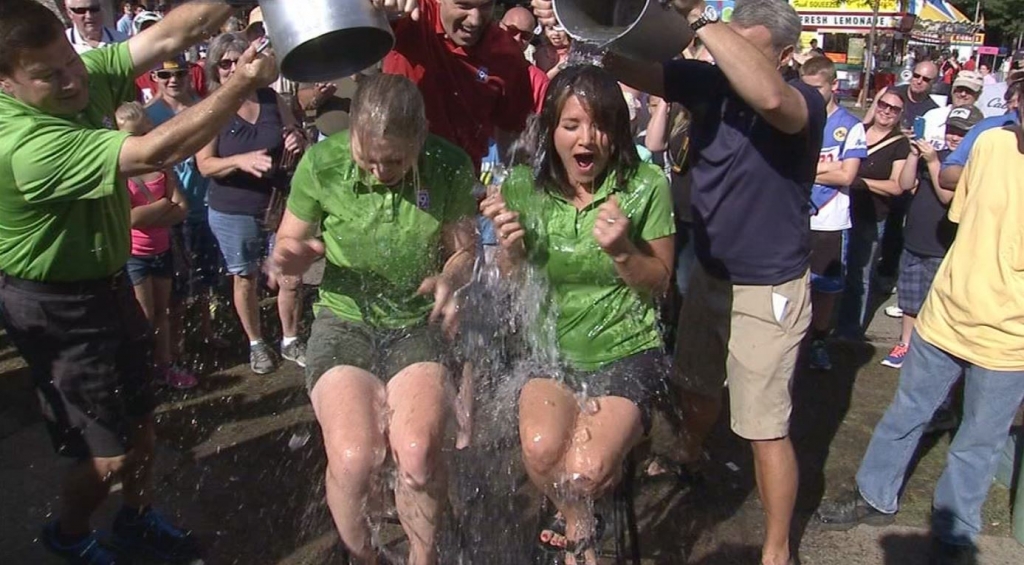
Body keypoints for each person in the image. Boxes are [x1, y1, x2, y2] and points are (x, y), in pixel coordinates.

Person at [533, 1, 826, 562]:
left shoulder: (802, 101)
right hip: (710, 272)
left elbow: (769, 98)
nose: (725, 55)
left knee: (763, 426)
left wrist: (697, 14)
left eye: (747, 47)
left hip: (769, 289)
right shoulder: (709, 83)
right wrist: (579, 23)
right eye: (727, 41)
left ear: (785, 57)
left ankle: (776, 547)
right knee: (694, 385)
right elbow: (621, 64)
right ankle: (691, 452)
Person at [0, 1, 278, 563]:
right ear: (5, 84)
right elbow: (159, 149)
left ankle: (136, 518)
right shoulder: (22, 144)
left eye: (69, 61)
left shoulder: (75, 77)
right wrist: (241, 83)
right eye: (49, 74)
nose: (74, 76)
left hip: (106, 286)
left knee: (143, 424)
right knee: (108, 456)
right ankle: (71, 534)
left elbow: (175, 31)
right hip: (57, 308)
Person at [271, 73, 477, 565]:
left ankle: (423, 557)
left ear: (420, 138)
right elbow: (284, 244)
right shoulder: (323, 163)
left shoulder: (447, 165)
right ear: (353, 134)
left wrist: (452, 276)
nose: (381, 171)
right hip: (345, 322)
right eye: (369, 158)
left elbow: (465, 250)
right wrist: (290, 258)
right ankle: (363, 557)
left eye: (395, 161)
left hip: (416, 323)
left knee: (420, 454)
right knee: (354, 458)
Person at [816, 92, 1024, 565]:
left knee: (978, 439)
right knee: (906, 410)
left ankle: (955, 529)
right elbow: (960, 208)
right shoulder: (991, 144)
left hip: (1011, 339)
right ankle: (874, 496)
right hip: (946, 314)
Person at [481, 65, 674, 565]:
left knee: (584, 470)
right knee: (543, 451)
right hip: (551, 350)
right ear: (551, 132)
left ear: (618, 132)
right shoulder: (524, 187)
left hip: (626, 350)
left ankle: (580, 529)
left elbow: (662, 283)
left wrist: (624, 252)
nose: (586, 139)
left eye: (600, 126)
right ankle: (579, 522)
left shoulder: (646, 184)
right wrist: (511, 251)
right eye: (571, 126)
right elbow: (510, 282)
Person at [197, 32, 308, 376]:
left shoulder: (272, 99)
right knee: (244, 277)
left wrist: (296, 138)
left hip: (277, 202)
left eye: (238, 60)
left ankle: (290, 338)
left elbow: (294, 133)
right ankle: (256, 343)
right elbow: (205, 164)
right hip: (233, 206)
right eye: (225, 63)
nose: (233, 69)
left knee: (291, 274)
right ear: (215, 69)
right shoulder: (213, 108)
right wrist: (240, 161)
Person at [882, 106, 982, 370]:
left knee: (934, 302)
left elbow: (946, 196)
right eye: (952, 130)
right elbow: (905, 185)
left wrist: (934, 162)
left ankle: (929, 352)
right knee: (910, 300)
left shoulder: (966, 165)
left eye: (961, 133)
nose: (954, 137)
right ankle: (905, 343)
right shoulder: (935, 155)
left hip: (942, 244)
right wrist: (915, 157)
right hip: (915, 237)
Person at [383, 0, 534, 169]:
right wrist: (380, 11)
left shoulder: (507, 55)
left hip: (462, 185)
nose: (474, 20)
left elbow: (512, 132)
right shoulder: (410, 15)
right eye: (464, 5)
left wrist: (507, 183)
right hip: (394, 177)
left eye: (486, 6)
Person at [115, 101, 198, 390]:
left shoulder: (162, 168)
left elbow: (182, 207)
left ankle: (164, 365)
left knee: (163, 312)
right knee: (144, 316)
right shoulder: (120, 173)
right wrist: (163, 206)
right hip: (134, 254)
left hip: (161, 249)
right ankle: (143, 371)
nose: (137, 142)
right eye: (130, 137)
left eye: (142, 134)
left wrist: (155, 211)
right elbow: (129, 220)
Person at [145, 55, 223, 359]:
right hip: (169, 211)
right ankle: (176, 348)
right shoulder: (148, 115)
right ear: (154, 78)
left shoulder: (201, 108)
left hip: (204, 205)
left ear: (190, 75)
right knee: (176, 288)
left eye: (178, 74)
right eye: (165, 76)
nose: (173, 80)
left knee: (206, 278)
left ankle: (206, 333)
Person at [800, 56, 868, 371]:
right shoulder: (798, 119)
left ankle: (817, 341)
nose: (811, 95)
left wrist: (808, 169)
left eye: (818, 88)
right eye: (806, 88)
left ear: (834, 85)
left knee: (825, 290)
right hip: (796, 215)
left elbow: (846, 176)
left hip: (830, 220)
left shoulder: (850, 126)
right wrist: (828, 168)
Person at [836, 89, 910, 342]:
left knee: (859, 274)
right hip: (839, 210)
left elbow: (897, 186)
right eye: (883, 104)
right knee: (835, 270)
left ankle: (849, 331)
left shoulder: (900, 143)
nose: (887, 111)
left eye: (894, 109)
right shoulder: (857, 129)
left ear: (900, 114)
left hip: (871, 215)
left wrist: (858, 180)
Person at [499, 5, 549, 113]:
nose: (517, 39)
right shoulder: (474, 60)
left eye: (525, 36)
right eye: (512, 30)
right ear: (498, 26)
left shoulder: (538, 81)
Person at [864, 60, 939, 131]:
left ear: (934, 82)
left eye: (925, 79)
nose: (919, 81)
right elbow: (865, 125)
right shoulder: (887, 93)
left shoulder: (934, 111)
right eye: (916, 76)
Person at [920, 70, 982, 150]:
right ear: (952, 90)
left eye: (969, 91)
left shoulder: (980, 123)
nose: (963, 94)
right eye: (959, 89)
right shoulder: (932, 116)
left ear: (978, 95)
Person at [65, 0, 130, 54]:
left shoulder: (123, 42)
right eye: (81, 10)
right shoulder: (62, 43)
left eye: (94, 9)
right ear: (69, 13)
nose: (89, 16)